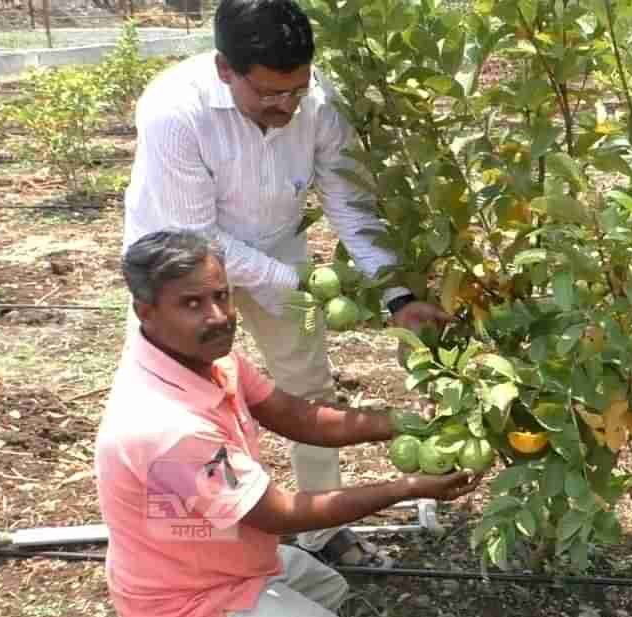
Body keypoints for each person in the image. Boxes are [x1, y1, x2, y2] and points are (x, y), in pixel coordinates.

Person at [98, 230, 481, 617]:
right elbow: (279, 515)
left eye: (221, 296)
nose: (217, 316)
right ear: (145, 311)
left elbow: (297, 417)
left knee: (330, 589)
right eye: (191, 303)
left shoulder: (206, 360)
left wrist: (403, 424)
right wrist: (406, 487)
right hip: (188, 602)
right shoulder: (164, 425)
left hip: (215, 561)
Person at [123, 0, 449, 567]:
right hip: (180, 277)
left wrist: (395, 293)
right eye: (270, 94)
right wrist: (298, 282)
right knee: (174, 401)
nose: (286, 106)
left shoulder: (319, 103)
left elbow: (349, 202)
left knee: (308, 381)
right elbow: (199, 237)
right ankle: (188, 558)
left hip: (284, 266)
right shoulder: (174, 110)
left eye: (295, 91)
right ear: (226, 69)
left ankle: (322, 535)